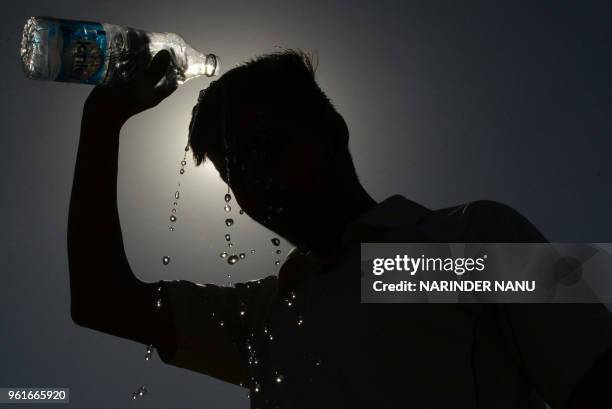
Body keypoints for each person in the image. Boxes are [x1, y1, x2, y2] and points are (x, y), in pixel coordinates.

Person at [68, 50, 612, 408]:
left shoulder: (473, 241)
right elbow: (102, 302)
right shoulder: (266, 316)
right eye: (237, 176)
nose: (257, 185)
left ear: (331, 130)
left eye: (267, 149)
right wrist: (102, 123)